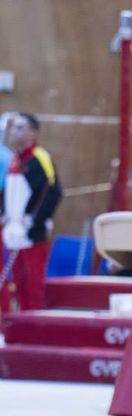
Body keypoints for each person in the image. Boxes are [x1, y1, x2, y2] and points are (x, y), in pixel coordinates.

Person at [1, 113, 61, 310]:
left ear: (32, 134)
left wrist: (34, 220)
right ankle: (21, 330)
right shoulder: (14, 161)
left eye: (20, 128)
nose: (13, 132)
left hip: (32, 234)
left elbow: (53, 191)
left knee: (33, 286)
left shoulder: (39, 158)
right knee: (19, 286)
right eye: (12, 128)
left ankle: (36, 332)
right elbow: (9, 193)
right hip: (14, 231)